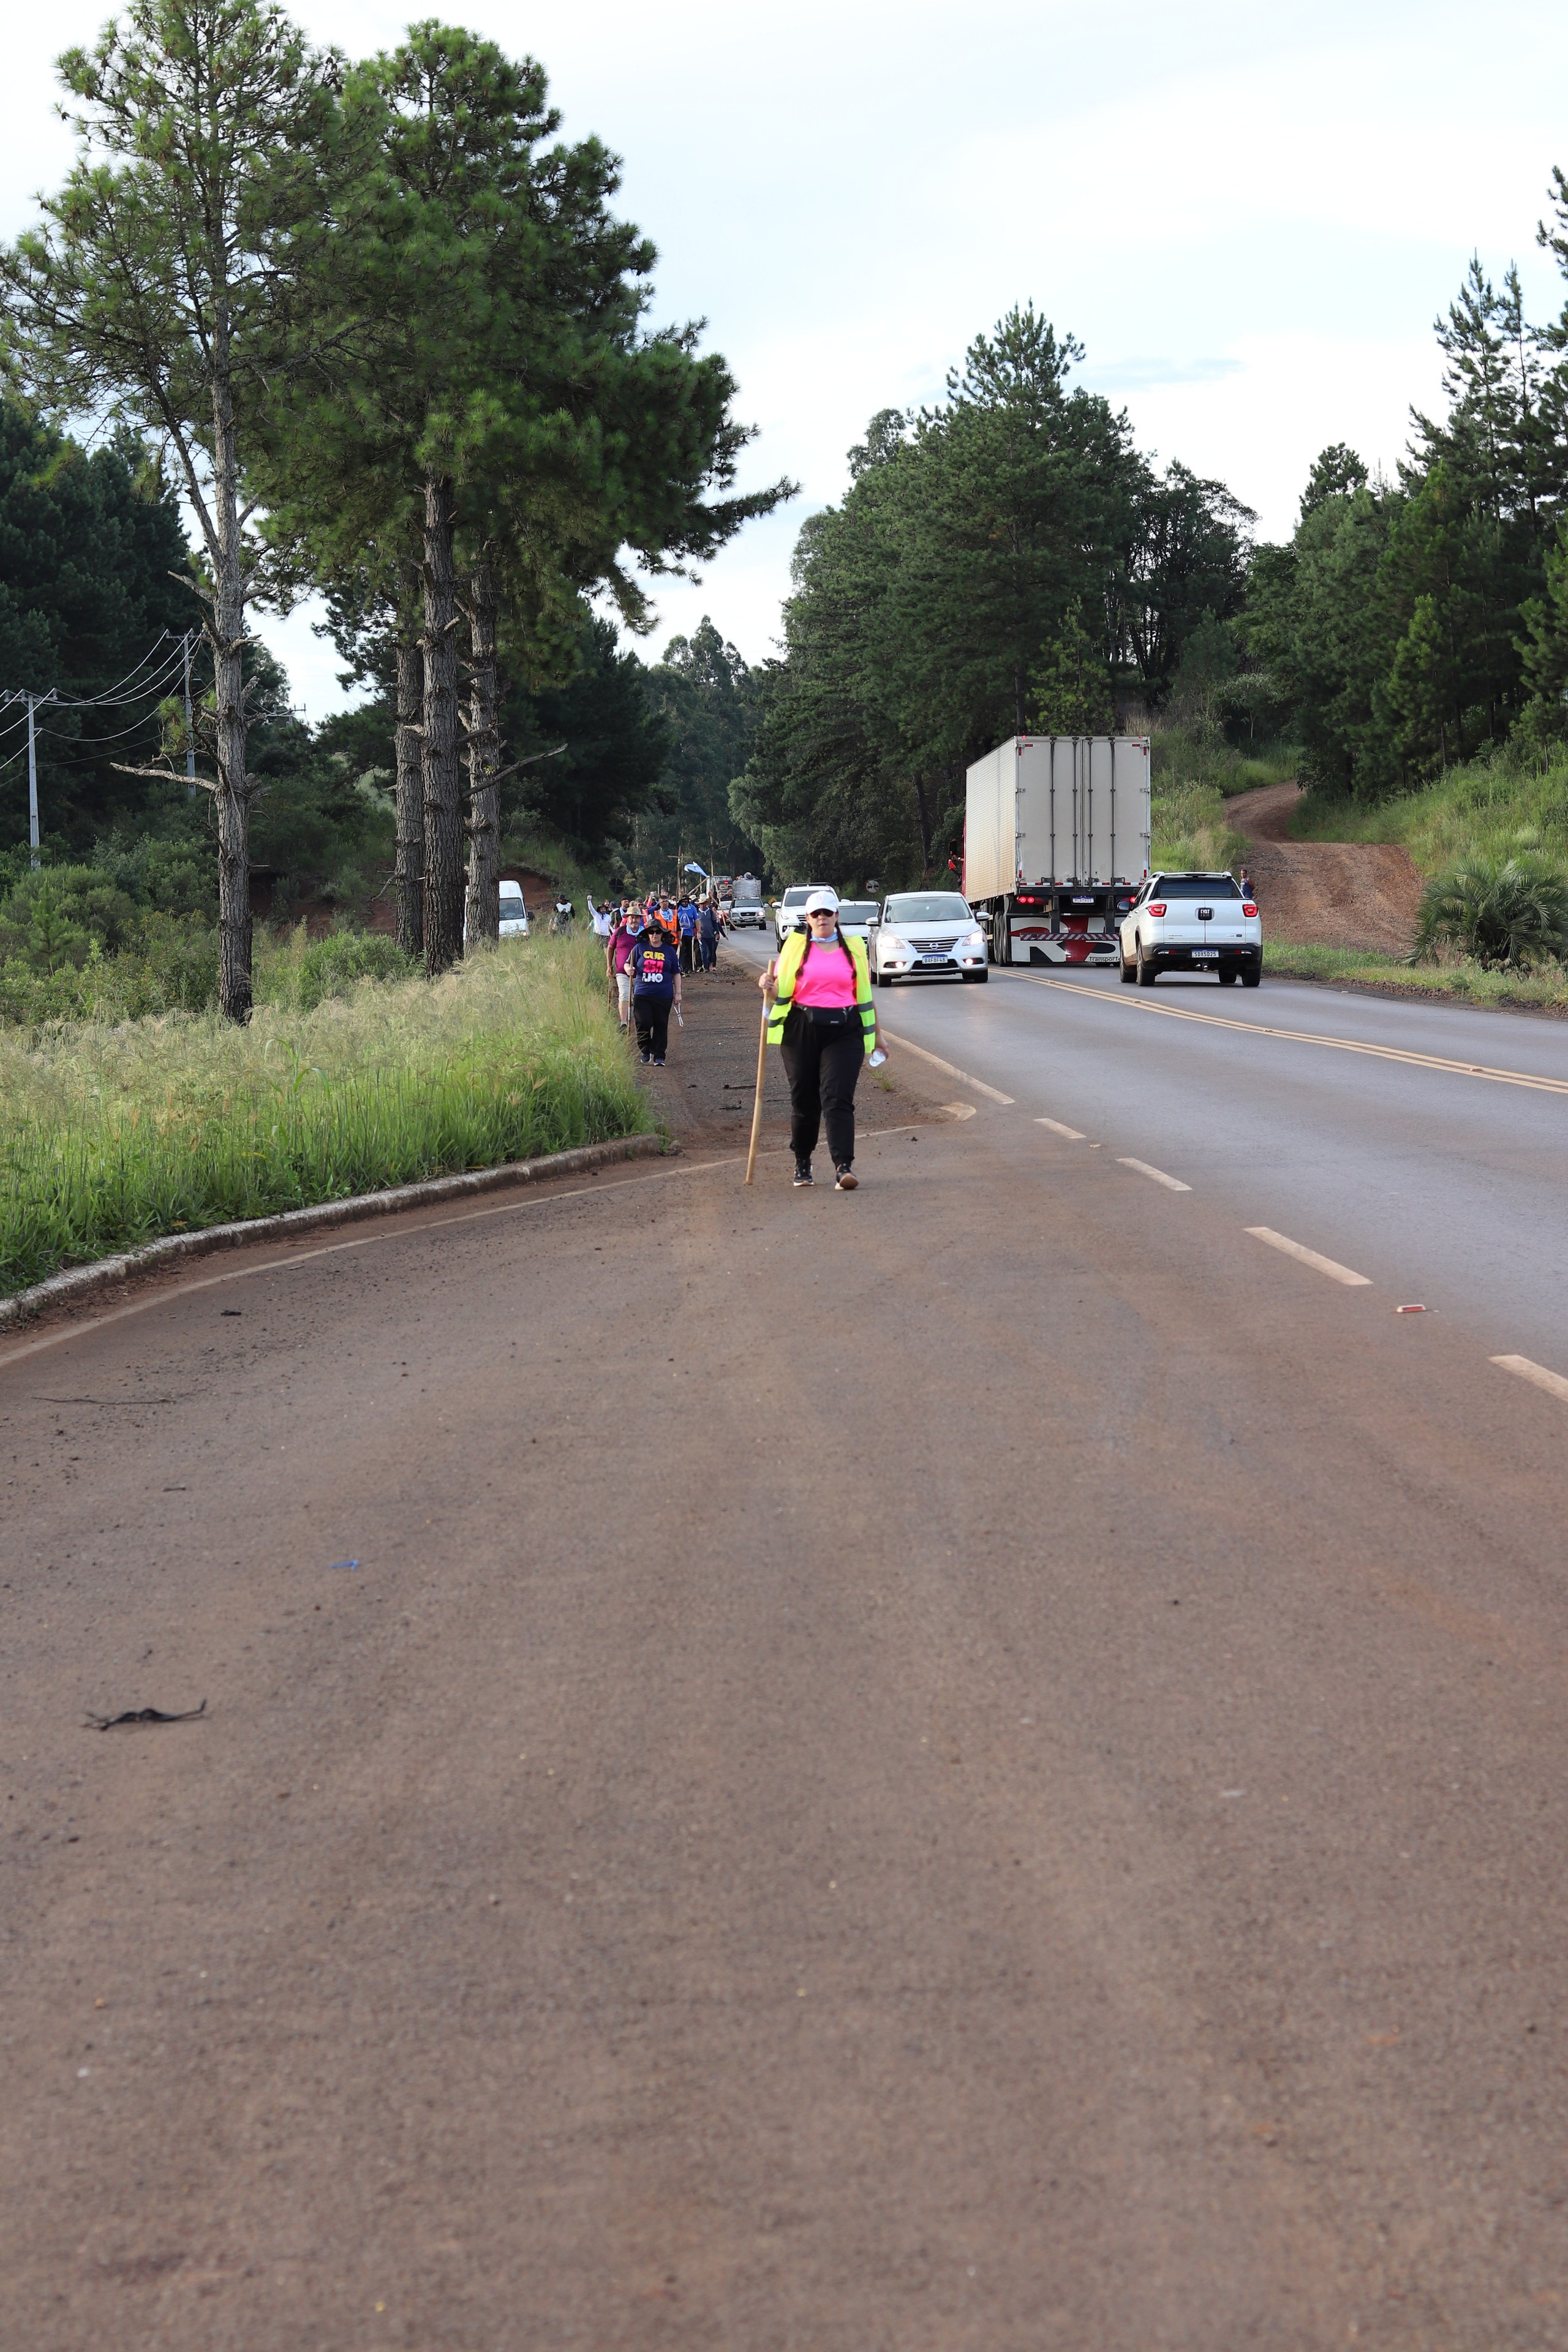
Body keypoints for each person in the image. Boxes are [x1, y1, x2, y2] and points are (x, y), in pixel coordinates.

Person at [761, 885, 877, 1191]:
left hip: (845, 1029)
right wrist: (767, 985)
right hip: (801, 1028)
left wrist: (879, 1035)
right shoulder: (795, 947)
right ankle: (802, 1162)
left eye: (828, 913)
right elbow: (778, 993)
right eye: (816, 914)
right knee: (805, 1099)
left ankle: (843, 1166)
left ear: (837, 916)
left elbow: (864, 993)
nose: (822, 918)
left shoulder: (854, 948)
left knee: (837, 1096)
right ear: (808, 919)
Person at [631, 916, 681, 1065]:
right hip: (642, 993)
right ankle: (645, 1049)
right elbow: (628, 964)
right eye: (652, 932)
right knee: (643, 1022)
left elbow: (676, 973)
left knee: (661, 1024)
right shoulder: (638, 948)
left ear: (662, 934)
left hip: (663, 994)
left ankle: (659, 1055)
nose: (655, 935)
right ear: (647, 933)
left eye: (657, 932)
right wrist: (629, 969)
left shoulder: (669, 951)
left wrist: (678, 993)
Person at [607, 903, 643, 1030]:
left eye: (637, 918)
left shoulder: (645, 934)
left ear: (640, 919)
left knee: (638, 997)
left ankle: (639, 1023)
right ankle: (624, 1023)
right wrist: (609, 966)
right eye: (632, 918)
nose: (634, 920)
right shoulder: (620, 932)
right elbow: (611, 948)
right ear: (628, 918)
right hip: (622, 971)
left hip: (640, 973)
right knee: (624, 995)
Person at [676, 894, 699, 974]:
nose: (685, 903)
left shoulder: (692, 908)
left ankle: (689, 968)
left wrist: (699, 932)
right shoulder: (678, 908)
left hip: (689, 933)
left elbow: (697, 920)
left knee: (689, 951)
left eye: (686, 901)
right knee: (681, 951)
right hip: (680, 933)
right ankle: (681, 968)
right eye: (683, 902)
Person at [697, 897, 718, 972]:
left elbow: (715, 923)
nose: (702, 906)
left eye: (703, 904)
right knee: (704, 951)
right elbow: (695, 923)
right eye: (701, 904)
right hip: (702, 935)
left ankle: (709, 963)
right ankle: (706, 967)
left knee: (711, 952)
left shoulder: (710, 912)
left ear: (706, 904)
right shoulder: (697, 912)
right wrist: (697, 932)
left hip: (710, 935)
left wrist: (717, 933)